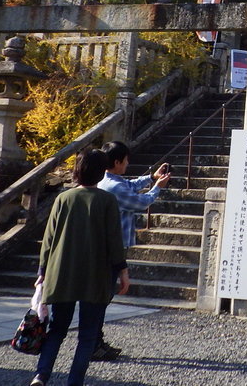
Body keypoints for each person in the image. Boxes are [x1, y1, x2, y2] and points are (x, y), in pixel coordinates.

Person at [30, 149, 128, 386]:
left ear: (77, 170)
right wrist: (123, 270)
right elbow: (114, 240)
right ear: (102, 172)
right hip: (96, 274)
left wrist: (42, 272)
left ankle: (41, 375)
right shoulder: (106, 200)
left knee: (57, 329)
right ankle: (74, 381)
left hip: (62, 271)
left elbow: (49, 239)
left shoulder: (63, 198)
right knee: (87, 334)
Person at [91, 140, 170, 361]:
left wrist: (151, 178)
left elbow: (131, 186)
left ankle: (96, 341)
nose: (127, 164)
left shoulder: (108, 181)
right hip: (112, 249)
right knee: (103, 296)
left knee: (103, 296)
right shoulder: (114, 187)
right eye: (125, 161)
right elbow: (140, 202)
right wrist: (158, 188)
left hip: (106, 246)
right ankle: (93, 343)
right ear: (117, 162)